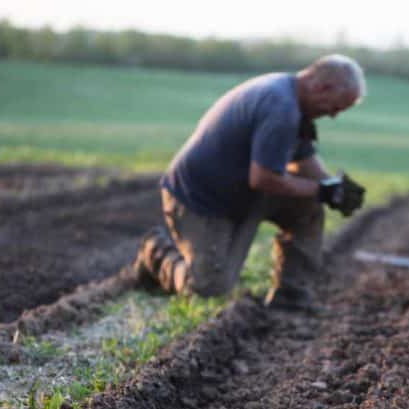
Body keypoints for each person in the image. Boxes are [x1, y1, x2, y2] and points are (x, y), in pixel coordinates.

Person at [133, 54, 367, 312]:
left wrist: (333, 186)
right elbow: (264, 178)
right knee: (209, 289)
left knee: (308, 206)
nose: (333, 116)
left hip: (241, 193)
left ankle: (291, 296)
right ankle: (154, 253)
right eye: (335, 107)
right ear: (322, 87)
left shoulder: (291, 97)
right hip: (200, 199)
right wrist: (323, 190)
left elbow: (304, 159)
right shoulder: (280, 107)